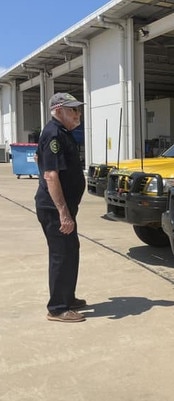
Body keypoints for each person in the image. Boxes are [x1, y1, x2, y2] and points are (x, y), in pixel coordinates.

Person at [35, 93, 87, 323]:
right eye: (72, 110)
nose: (78, 114)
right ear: (58, 111)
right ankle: (57, 308)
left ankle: (67, 297)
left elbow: (40, 159)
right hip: (55, 210)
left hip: (65, 207)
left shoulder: (64, 133)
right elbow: (50, 175)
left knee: (71, 251)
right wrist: (63, 213)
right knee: (61, 254)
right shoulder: (53, 133)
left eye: (78, 110)